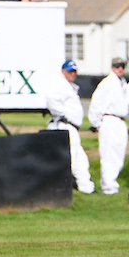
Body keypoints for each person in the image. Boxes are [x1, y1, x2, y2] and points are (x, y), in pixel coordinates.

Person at [45, 60, 95, 194]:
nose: (73, 74)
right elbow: (50, 98)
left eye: (74, 71)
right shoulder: (60, 83)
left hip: (71, 126)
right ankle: (80, 188)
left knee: (79, 158)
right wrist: (62, 113)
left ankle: (86, 187)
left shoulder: (68, 85)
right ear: (63, 71)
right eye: (69, 71)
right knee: (74, 158)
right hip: (65, 125)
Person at [88, 57, 129, 194]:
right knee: (109, 153)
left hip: (120, 121)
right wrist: (96, 123)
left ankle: (112, 183)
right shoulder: (107, 83)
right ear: (112, 67)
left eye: (122, 66)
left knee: (118, 152)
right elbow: (96, 103)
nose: (120, 69)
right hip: (109, 119)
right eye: (118, 66)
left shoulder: (122, 83)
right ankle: (108, 186)